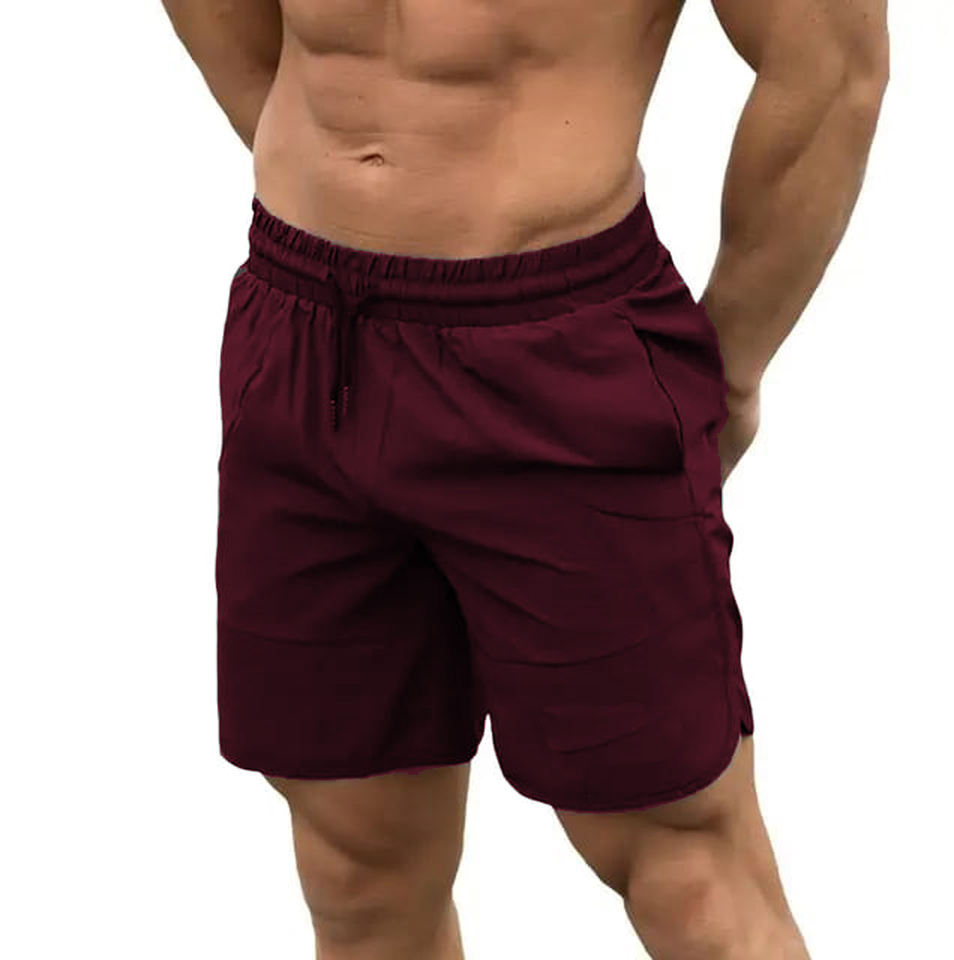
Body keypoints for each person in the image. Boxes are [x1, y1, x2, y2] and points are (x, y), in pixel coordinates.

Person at [162, 0, 888, 956]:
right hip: (303, 328)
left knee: (686, 872)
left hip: (558, 346)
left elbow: (831, 69)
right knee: (355, 870)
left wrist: (735, 363)